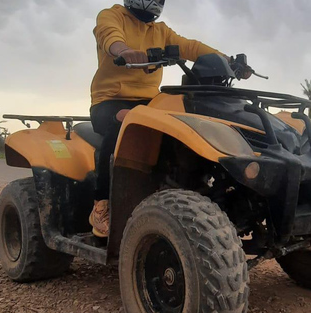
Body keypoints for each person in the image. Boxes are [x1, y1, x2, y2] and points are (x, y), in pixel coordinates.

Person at [88, 0, 237, 237]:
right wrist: (124, 51)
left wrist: (228, 61)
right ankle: (101, 204)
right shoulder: (111, 16)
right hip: (109, 101)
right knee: (126, 122)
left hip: (151, 103)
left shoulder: (160, 31)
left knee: (182, 126)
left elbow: (191, 47)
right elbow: (109, 37)